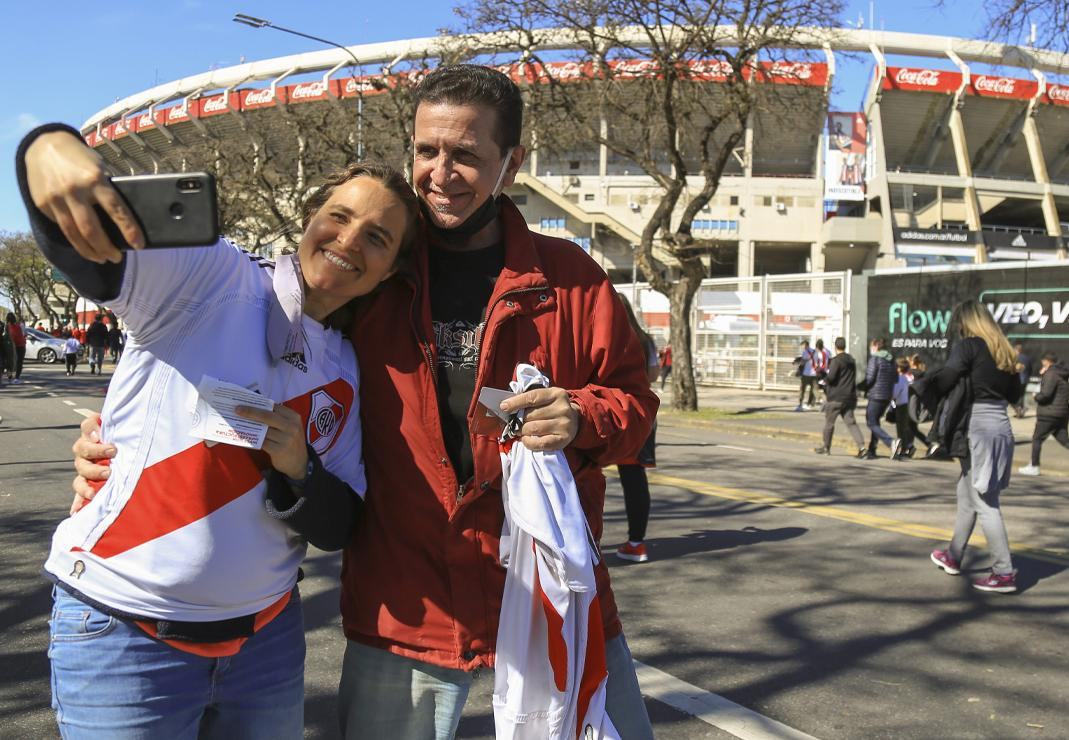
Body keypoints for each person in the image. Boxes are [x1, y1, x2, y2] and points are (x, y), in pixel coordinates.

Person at [65, 65, 658, 739]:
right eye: (427, 151)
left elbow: (635, 407)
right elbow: (255, 353)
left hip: (555, 593)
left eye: (466, 155)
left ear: (511, 164)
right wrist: (119, 440)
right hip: (408, 607)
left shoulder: (571, 278)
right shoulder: (373, 278)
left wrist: (584, 417)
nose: (441, 172)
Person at [19, 123, 420, 737]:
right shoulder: (215, 276)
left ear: (389, 272)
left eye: (377, 238)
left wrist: (299, 467)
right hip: (124, 634)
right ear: (310, 218)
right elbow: (94, 258)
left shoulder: (346, 367)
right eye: (338, 216)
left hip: (266, 644)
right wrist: (45, 147)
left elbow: (340, 525)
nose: (348, 241)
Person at [929, 300, 1021, 594]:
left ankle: (1004, 572)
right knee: (966, 492)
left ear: (965, 323)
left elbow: (946, 377)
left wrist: (931, 388)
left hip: (978, 424)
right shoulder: (1003, 350)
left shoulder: (969, 346)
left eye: (959, 324)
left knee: (985, 501)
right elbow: (1016, 394)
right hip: (1001, 425)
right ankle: (954, 555)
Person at [615, 295, 659, 563]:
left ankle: (583, 541)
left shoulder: (609, 334)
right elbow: (653, 375)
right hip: (640, 412)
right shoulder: (645, 339)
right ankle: (636, 542)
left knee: (583, 475)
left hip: (609, 410)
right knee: (634, 478)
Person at [1018, 352, 1069, 477]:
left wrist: (1036, 396)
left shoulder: (1051, 374)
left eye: (1043, 362)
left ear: (1047, 361)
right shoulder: (1061, 373)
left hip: (1049, 413)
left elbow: (1046, 394)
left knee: (1037, 439)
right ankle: (1033, 466)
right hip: (1061, 412)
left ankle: (1034, 466)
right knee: (1064, 440)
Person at [813, 336, 865, 456]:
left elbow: (831, 378)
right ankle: (862, 447)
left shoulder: (836, 361)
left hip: (836, 397)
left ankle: (826, 447)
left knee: (829, 423)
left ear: (835, 347)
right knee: (851, 423)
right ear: (844, 346)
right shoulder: (851, 360)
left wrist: (822, 375)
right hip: (849, 397)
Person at [861, 337, 897, 459]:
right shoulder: (891, 360)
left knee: (870, 422)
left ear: (876, 346)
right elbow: (895, 378)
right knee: (875, 422)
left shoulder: (875, 359)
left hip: (876, 395)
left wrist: (862, 387)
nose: (871, 349)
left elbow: (870, 378)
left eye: (872, 346)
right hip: (887, 395)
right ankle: (872, 449)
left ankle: (891, 442)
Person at [795, 339, 818, 411]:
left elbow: (803, 363)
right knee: (812, 390)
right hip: (814, 374)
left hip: (806, 374)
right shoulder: (815, 351)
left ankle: (800, 404)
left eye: (802, 346)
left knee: (802, 389)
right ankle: (810, 404)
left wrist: (798, 361)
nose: (802, 348)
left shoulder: (805, 351)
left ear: (805, 345)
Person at [1013, 342, 1031, 418]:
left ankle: (1019, 410)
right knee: (1022, 395)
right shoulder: (1027, 358)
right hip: (1025, 379)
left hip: (1017, 380)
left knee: (1015, 396)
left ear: (1016, 350)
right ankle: (1020, 410)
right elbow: (1030, 368)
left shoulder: (1014, 358)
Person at [6, 314, 26, 382]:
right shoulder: (19, 326)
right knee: (19, 362)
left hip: (11, 346)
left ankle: (10, 375)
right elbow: (23, 335)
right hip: (20, 345)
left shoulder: (7, 327)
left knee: (9, 361)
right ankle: (17, 378)